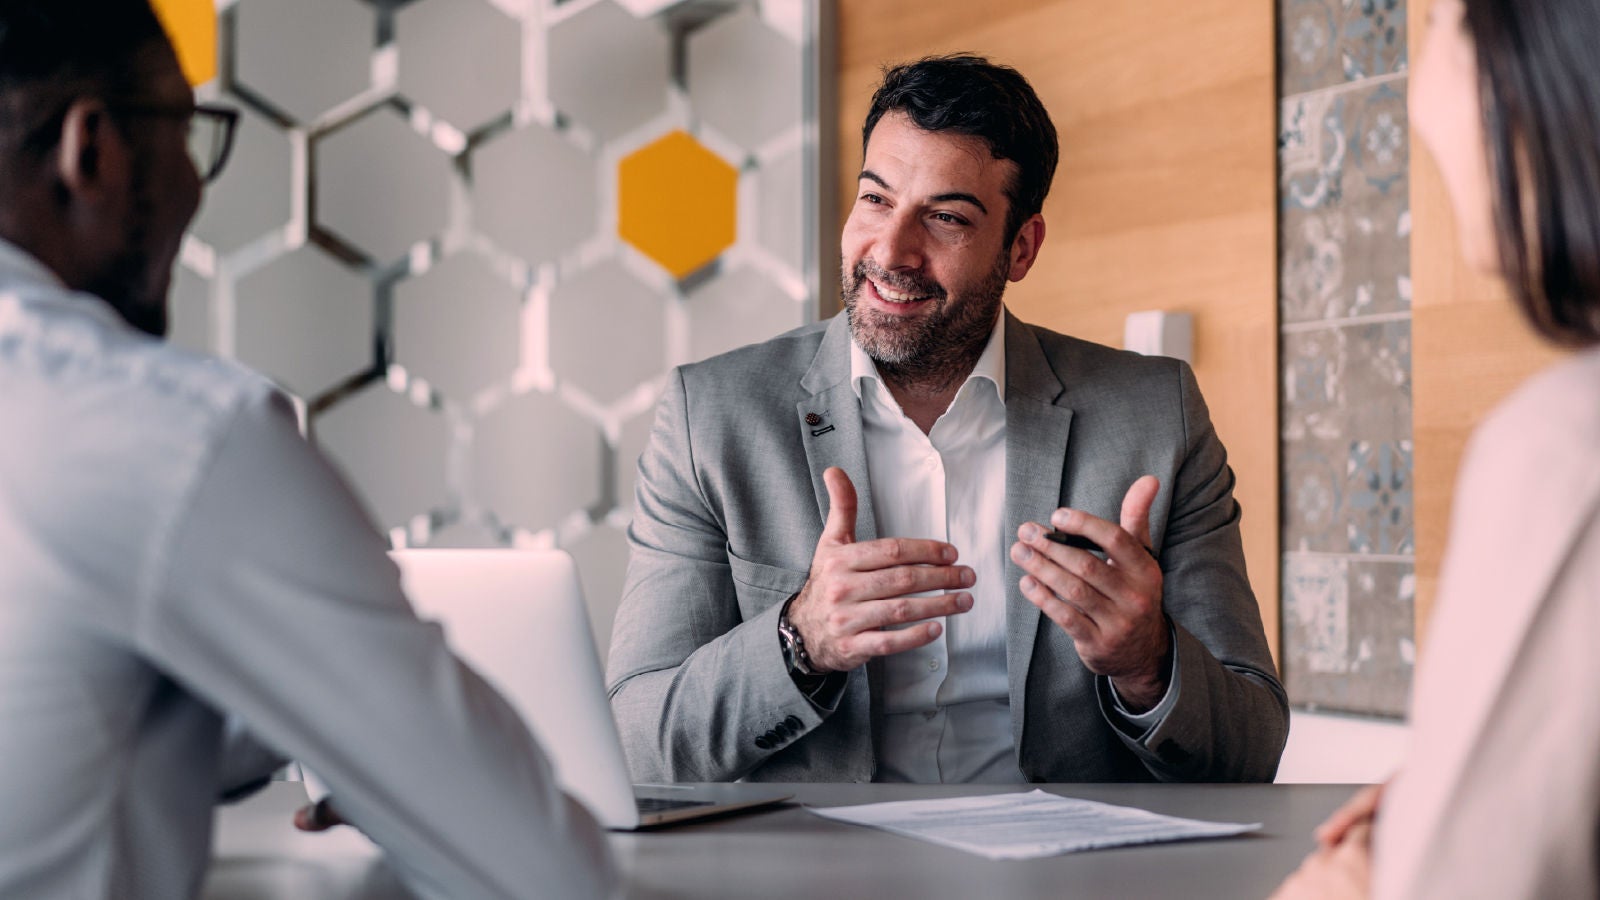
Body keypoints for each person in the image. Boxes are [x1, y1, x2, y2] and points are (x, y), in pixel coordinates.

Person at [0, 2, 613, 897]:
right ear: (89, 150)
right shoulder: (174, 434)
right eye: (185, 133)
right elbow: (546, 874)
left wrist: (312, 701)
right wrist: (388, 749)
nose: (194, 186)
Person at [607, 54, 1287, 784]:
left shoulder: (1156, 415)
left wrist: (1148, 663)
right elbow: (639, 741)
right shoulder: (710, 416)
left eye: (947, 218)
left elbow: (1249, 750)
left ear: (1020, 248)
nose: (891, 251)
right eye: (876, 200)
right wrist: (799, 638)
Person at [1273, 0, 1600, 896]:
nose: (1418, 106)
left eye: (1438, 31)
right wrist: (1455, 795)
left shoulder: (1566, 453)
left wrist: (1359, 880)